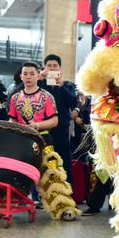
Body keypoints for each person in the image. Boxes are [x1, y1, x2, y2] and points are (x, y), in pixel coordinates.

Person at [8, 62, 80, 221]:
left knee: (52, 174)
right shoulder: (14, 97)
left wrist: (37, 125)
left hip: (43, 139)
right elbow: (12, 119)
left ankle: (64, 207)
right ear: (21, 76)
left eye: (31, 73)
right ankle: (7, 205)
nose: (28, 76)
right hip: (21, 141)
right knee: (15, 173)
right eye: (25, 73)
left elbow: (54, 121)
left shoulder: (47, 96)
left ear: (37, 75)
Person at [38, 54, 78, 188]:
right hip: (43, 128)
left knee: (64, 161)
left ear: (59, 68)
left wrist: (61, 86)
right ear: (44, 68)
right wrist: (39, 77)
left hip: (61, 128)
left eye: (55, 66)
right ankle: (47, 195)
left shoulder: (67, 85)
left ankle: (68, 194)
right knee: (45, 161)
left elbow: (73, 102)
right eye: (49, 66)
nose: (52, 68)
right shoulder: (40, 84)